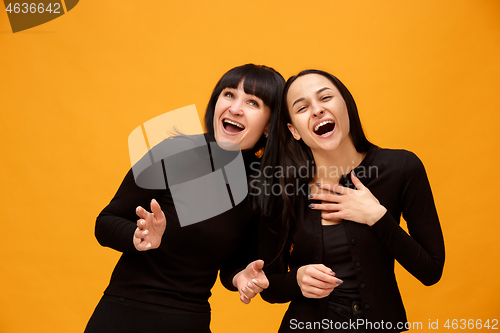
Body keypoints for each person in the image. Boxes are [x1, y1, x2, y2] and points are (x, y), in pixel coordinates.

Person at [84, 64, 285, 333]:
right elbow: (106, 222)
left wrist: (241, 276)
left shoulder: (261, 184)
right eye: (229, 95)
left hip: (190, 319)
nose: (235, 108)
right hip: (125, 311)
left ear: (269, 126)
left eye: (252, 102)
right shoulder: (173, 152)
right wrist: (140, 236)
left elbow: (233, 264)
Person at [256, 69, 445, 332]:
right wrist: (297, 280)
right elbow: (269, 286)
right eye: (302, 108)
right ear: (294, 130)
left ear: (345, 104)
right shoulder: (285, 189)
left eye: (325, 98)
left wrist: (376, 217)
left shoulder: (402, 167)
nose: (317, 110)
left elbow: (431, 271)